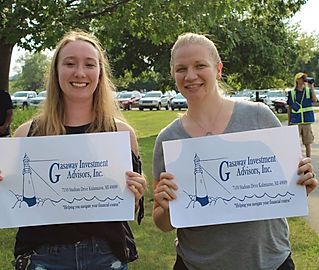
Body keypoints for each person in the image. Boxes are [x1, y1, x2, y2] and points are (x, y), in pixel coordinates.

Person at [152, 33, 318, 270]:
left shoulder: (259, 116)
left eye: (200, 65)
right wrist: (166, 207)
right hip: (196, 265)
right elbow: (163, 223)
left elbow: (286, 189)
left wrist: (301, 183)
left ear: (218, 70)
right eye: (181, 69)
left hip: (269, 262)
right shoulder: (168, 140)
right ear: (173, 75)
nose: (190, 76)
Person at [0, 30, 147, 270]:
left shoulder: (120, 134)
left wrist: (137, 190)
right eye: (69, 63)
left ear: (100, 73)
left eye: (89, 64)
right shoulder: (26, 135)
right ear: (56, 71)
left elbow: (128, 207)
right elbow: (14, 204)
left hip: (105, 255)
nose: (79, 73)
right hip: (42, 256)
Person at [287, 72, 317, 158]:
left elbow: (315, 100)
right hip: (296, 121)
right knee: (295, 143)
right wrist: (289, 122)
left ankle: (308, 161)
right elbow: (289, 108)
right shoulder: (291, 93)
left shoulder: (308, 90)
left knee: (307, 143)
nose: (303, 79)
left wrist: (311, 87)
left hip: (306, 121)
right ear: (297, 80)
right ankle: (295, 161)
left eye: (304, 78)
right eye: (301, 78)